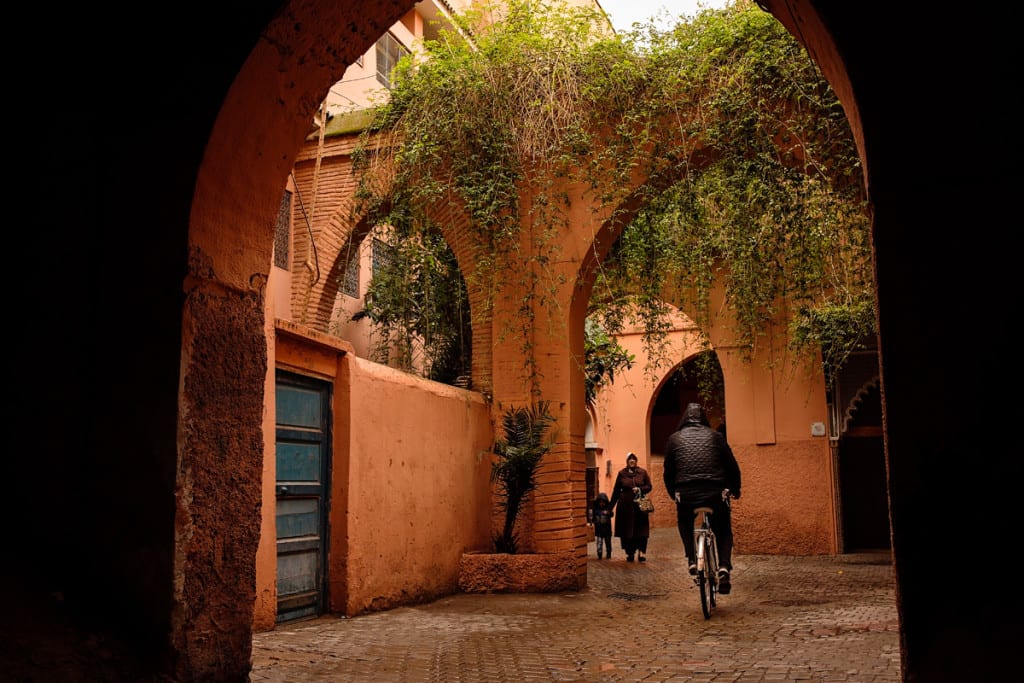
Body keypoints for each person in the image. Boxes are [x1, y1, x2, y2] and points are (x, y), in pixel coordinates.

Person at [663, 402, 742, 594]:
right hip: (715, 491)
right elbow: (732, 466)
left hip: (686, 493)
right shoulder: (716, 437)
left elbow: (668, 472)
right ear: (703, 418)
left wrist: (674, 494)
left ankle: (691, 558)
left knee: (684, 521)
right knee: (723, 530)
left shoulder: (674, 439)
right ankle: (723, 566)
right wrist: (735, 489)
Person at [609, 452, 653, 562]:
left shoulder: (642, 472)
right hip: (625, 508)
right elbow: (616, 491)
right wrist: (610, 507)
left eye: (634, 459)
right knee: (627, 531)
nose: (632, 461)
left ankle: (642, 552)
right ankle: (630, 552)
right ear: (627, 462)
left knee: (641, 530)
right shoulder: (622, 474)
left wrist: (640, 489)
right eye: (630, 459)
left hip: (640, 507)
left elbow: (649, 486)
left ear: (636, 461)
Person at [590, 492, 614, 559]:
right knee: (599, 543)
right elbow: (592, 517)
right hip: (599, 530)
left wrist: (608, 512)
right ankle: (599, 553)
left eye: (603, 502)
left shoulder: (608, 509)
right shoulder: (596, 510)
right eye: (600, 502)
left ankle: (608, 553)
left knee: (608, 543)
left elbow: (612, 514)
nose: (601, 504)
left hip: (607, 530)